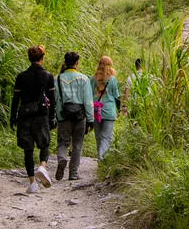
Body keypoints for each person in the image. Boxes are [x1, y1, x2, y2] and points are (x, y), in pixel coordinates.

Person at [10, 45, 55, 194]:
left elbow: (16, 99)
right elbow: (52, 100)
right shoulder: (48, 76)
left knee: (28, 150)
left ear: (29, 58)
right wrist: (52, 116)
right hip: (41, 115)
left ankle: (32, 183)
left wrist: (13, 117)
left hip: (24, 116)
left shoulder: (21, 77)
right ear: (42, 58)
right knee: (44, 143)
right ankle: (42, 166)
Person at [53, 51, 94, 181]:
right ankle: (73, 173)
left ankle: (62, 158)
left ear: (65, 62)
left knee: (62, 142)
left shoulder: (57, 79)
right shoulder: (84, 79)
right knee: (77, 143)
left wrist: (58, 115)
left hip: (64, 115)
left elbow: (56, 99)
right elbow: (88, 100)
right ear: (77, 63)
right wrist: (91, 119)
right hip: (80, 116)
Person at [92, 55, 121, 160]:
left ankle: (100, 157)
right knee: (107, 137)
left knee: (99, 137)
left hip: (95, 111)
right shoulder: (112, 80)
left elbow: (89, 95)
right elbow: (117, 97)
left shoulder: (93, 79)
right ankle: (102, 158)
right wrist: (119, 110)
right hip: (109, 111)